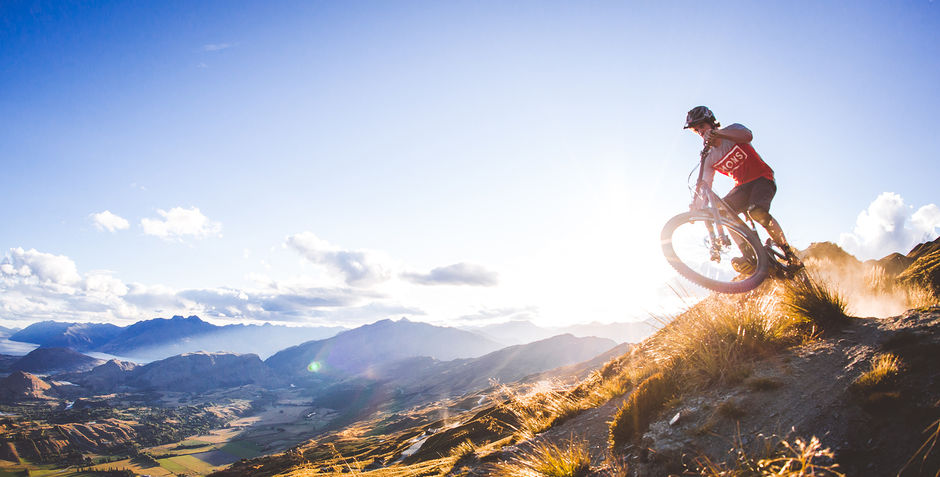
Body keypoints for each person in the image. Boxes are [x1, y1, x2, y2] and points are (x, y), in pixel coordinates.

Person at [683, 105, 800, 273]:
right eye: (696, 130)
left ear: (711, 123)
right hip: (742, 187)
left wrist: (719, 134)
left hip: (762, 178)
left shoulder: (732, 131)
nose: (700, 132)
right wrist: (697, 207)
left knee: (757, 212)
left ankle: (788, 252)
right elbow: (705, 186)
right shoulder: (708, 156)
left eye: (702, 126)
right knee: (722, 213)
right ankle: (750, 256)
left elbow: (747, 136)